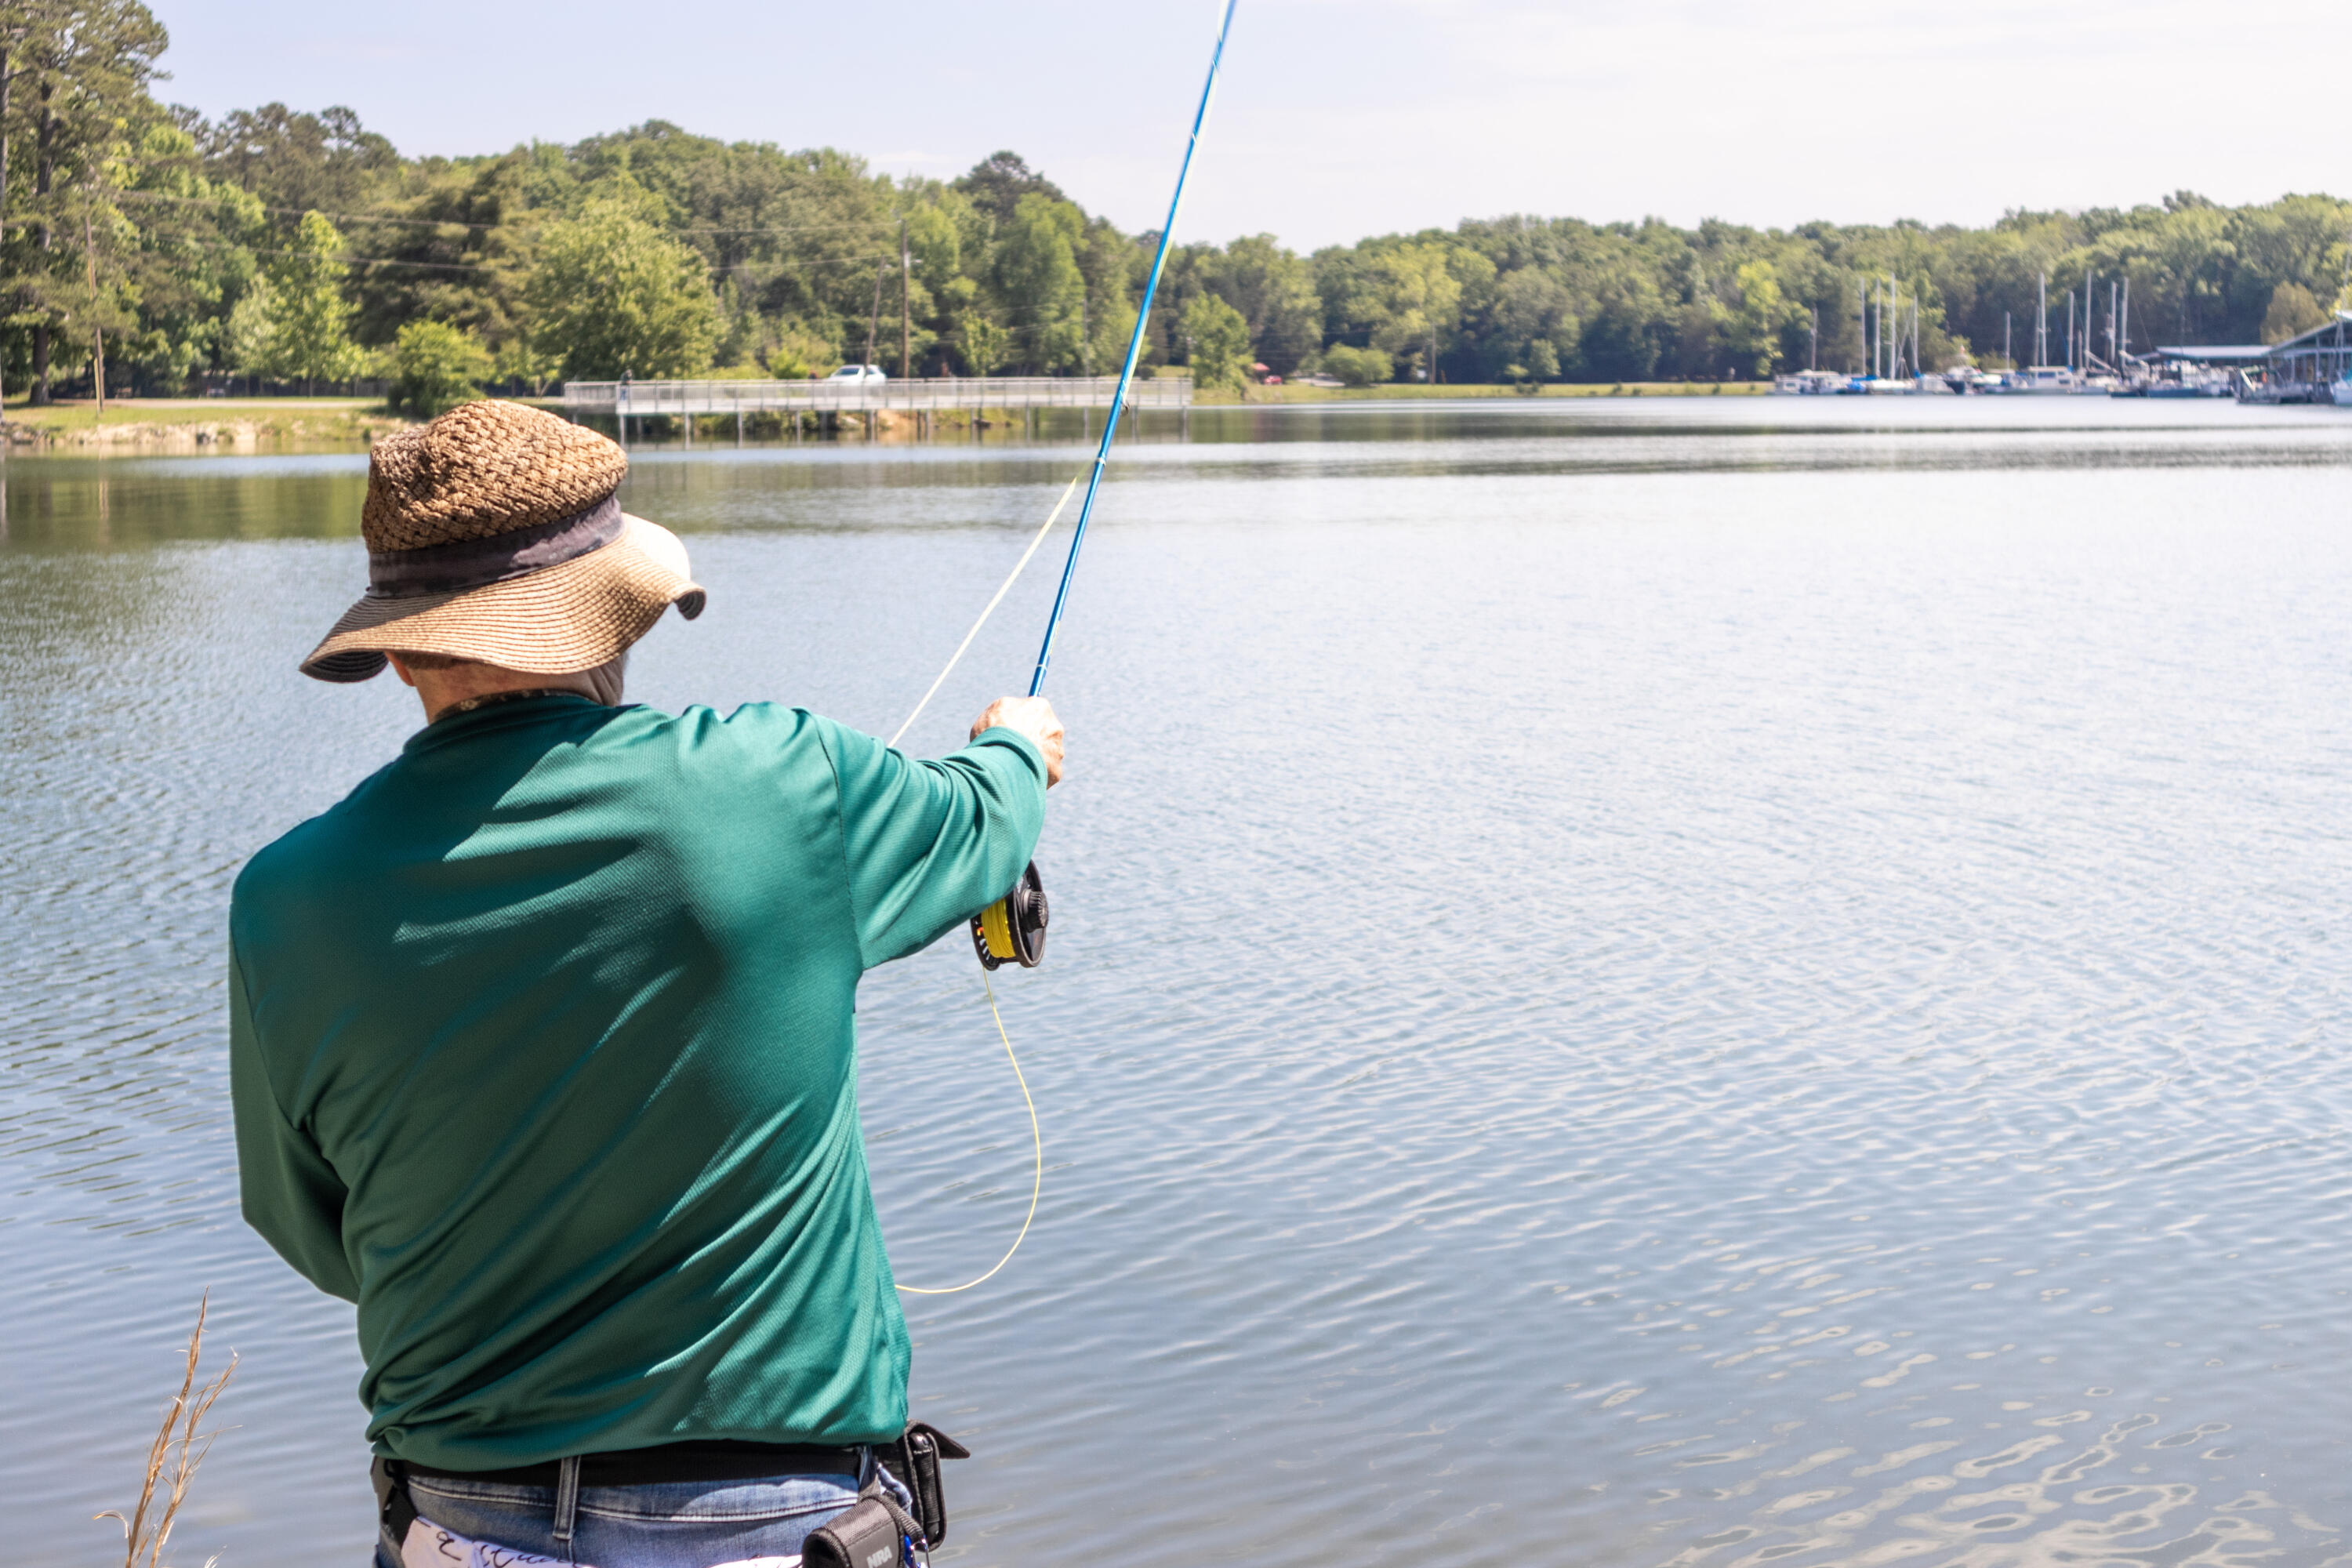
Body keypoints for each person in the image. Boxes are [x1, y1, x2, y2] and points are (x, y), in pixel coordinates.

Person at [227, 401, 1062, 1566]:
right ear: (620, 615)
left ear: (401, 646)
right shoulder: (780, 781)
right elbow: (984, 822)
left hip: (458, 1525)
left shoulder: (285, 899)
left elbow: (316, 1235)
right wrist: (1019, 744)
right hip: (777, 1522)